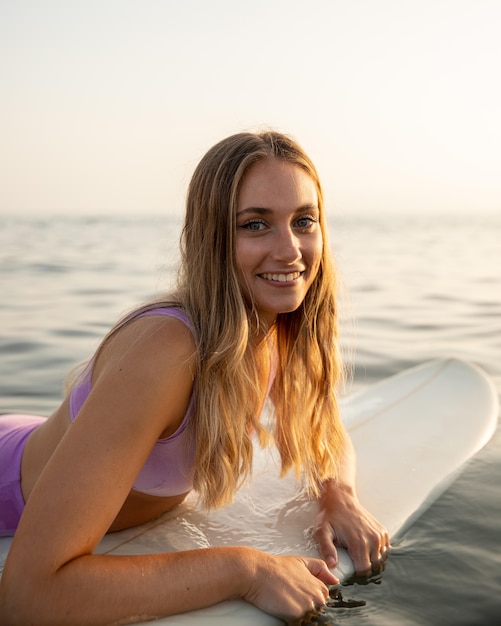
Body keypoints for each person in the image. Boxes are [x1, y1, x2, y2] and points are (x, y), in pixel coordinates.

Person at [0, 131, 390, 625]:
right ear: (212, 238)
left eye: (304, 221)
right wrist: (245, 569)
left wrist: (340, 496)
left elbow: (322, 431)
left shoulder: (273, 325)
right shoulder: (167, 351)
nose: (290, 249)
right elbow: (27, 597)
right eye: (256, 224)